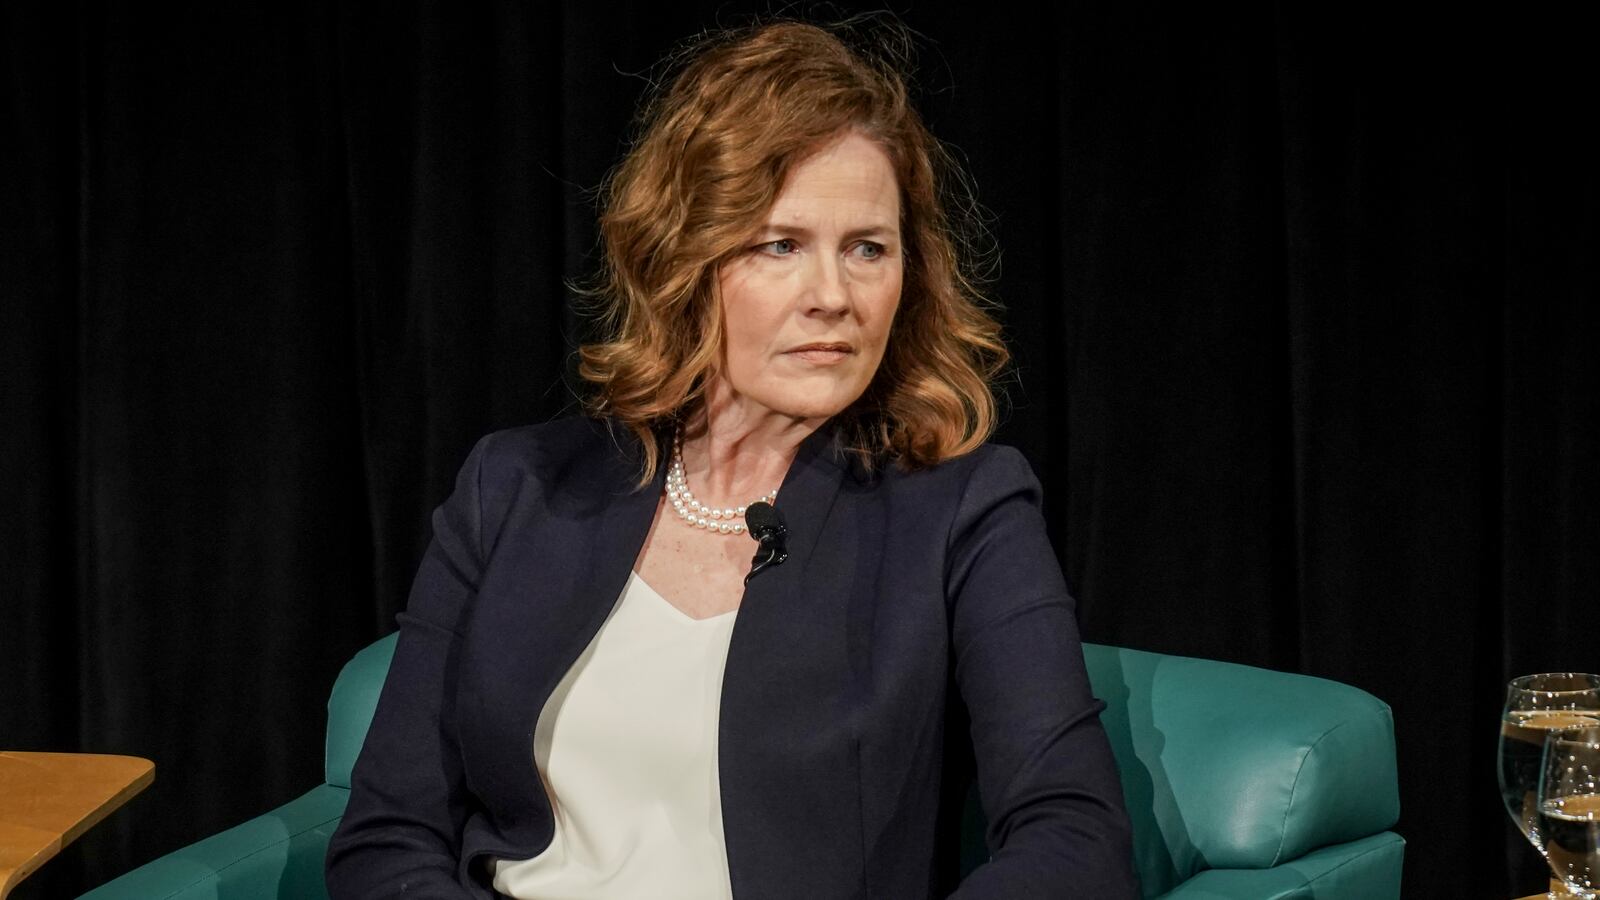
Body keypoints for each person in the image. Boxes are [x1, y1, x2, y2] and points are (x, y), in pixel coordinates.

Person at [326, 17, 1137, 900]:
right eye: (778, 245)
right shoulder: (513, 488)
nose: (833, 297)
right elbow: (389, 837)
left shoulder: (963, 509)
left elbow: (1075, 839)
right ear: (684, 259)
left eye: (868, 248)